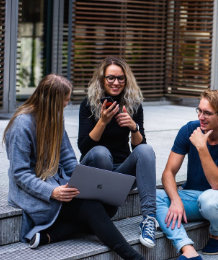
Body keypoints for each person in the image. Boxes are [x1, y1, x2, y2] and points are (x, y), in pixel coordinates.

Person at [4, 74, 144, 260]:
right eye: (65, 101)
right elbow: (20, 174)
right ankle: (133, 257)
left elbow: (69, 159)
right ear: (52, 101)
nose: (66, 105)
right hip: (34, 192)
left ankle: (52, 235)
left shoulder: (55, 118)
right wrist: (52, 191)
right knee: (92, 207)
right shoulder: (21, 125)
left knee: (107, 203)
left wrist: (83, 182)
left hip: (58, 183)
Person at [156, 89, 218, 260]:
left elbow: (217, 184)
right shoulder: (189, 129)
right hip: (192, 195)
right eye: (199, 110)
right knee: (154, 196)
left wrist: (202, 147)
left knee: (210, 200)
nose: (201, 117)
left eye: (207, 113)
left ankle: (217, 233)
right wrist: (176, 201)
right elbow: (168, 172)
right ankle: (187, 249)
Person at [78, 56, 158, 248]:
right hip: (95, 170)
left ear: (126, 79)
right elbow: (84, 147)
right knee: (101, 153)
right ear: (102, 79)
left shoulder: (133, 104)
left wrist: (134, 127)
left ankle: (149, 219)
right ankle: (101, 212)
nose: (116, 82)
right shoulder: (88, 104)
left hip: (121, 173)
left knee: (146, 150)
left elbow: (140, 149)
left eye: (120, 78)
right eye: (110, 78)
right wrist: (103, 121)